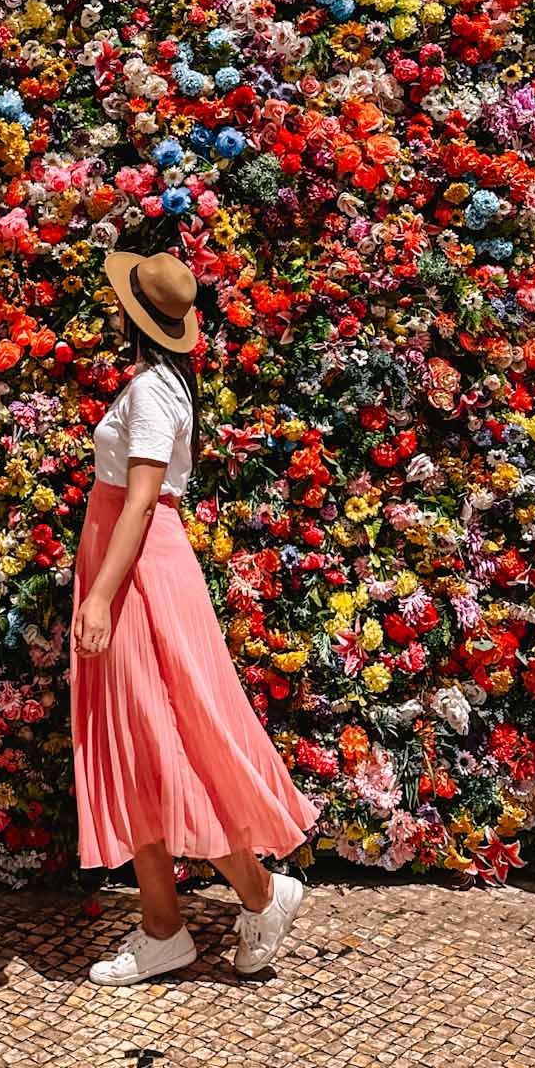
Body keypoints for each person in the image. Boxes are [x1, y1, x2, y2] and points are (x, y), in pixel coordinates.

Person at [71, 244, 320, 985]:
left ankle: (258, 892)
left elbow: (142, 498)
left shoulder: (151, 389)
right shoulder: (166, 384)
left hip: (137, 575)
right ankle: (163, 927)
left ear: (131, 314)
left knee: (164, 742)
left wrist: (99, 595)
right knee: (140, 745)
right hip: (136, 568)